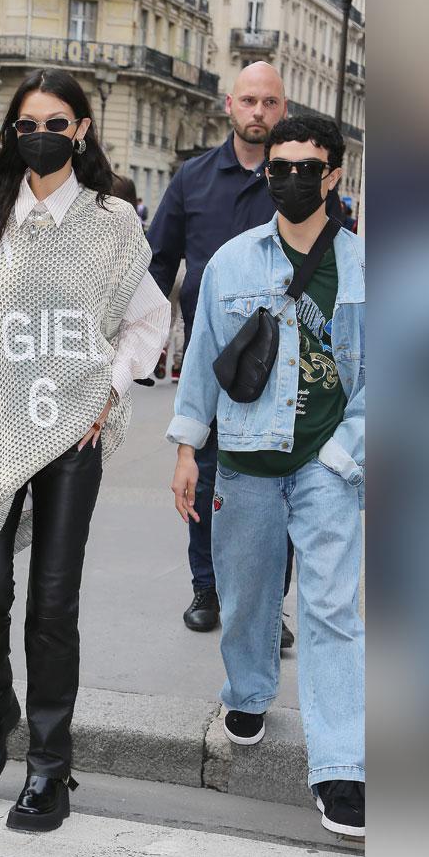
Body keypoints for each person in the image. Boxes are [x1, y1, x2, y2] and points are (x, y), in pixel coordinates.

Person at [0, 68, 169, 833]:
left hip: (70, 436)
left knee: (54, 605)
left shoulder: (114, 220)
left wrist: (111, 391)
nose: (42, 135)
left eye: (57, 122)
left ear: (82, 129)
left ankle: (49, 767)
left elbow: (149, 320)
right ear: (11, 134)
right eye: (28, 123)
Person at [167, 116, 365, 838]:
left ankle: (343, 764)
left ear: (334, 175)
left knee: (332, 611)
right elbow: (202, 362)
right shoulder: (233, 260)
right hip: (245, 461)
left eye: (304, 167)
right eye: (277, 168)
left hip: (328, 464)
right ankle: (248, 690)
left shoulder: (368, 268)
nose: (288, 179)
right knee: (247, 596)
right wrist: (187, 447)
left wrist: (348, 453)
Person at [145, 61, 300, 641]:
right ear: (229, 105)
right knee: (203, 477)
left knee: (277, 479)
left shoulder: (296, 176)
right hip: (210, 359)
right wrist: (142, 340)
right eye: (249, 101)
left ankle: (267, 607)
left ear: (283, 110)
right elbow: (159, 260)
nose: (259, 112)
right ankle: (206, 587)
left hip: (281, 358)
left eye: (270, 103)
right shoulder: (193, 177)